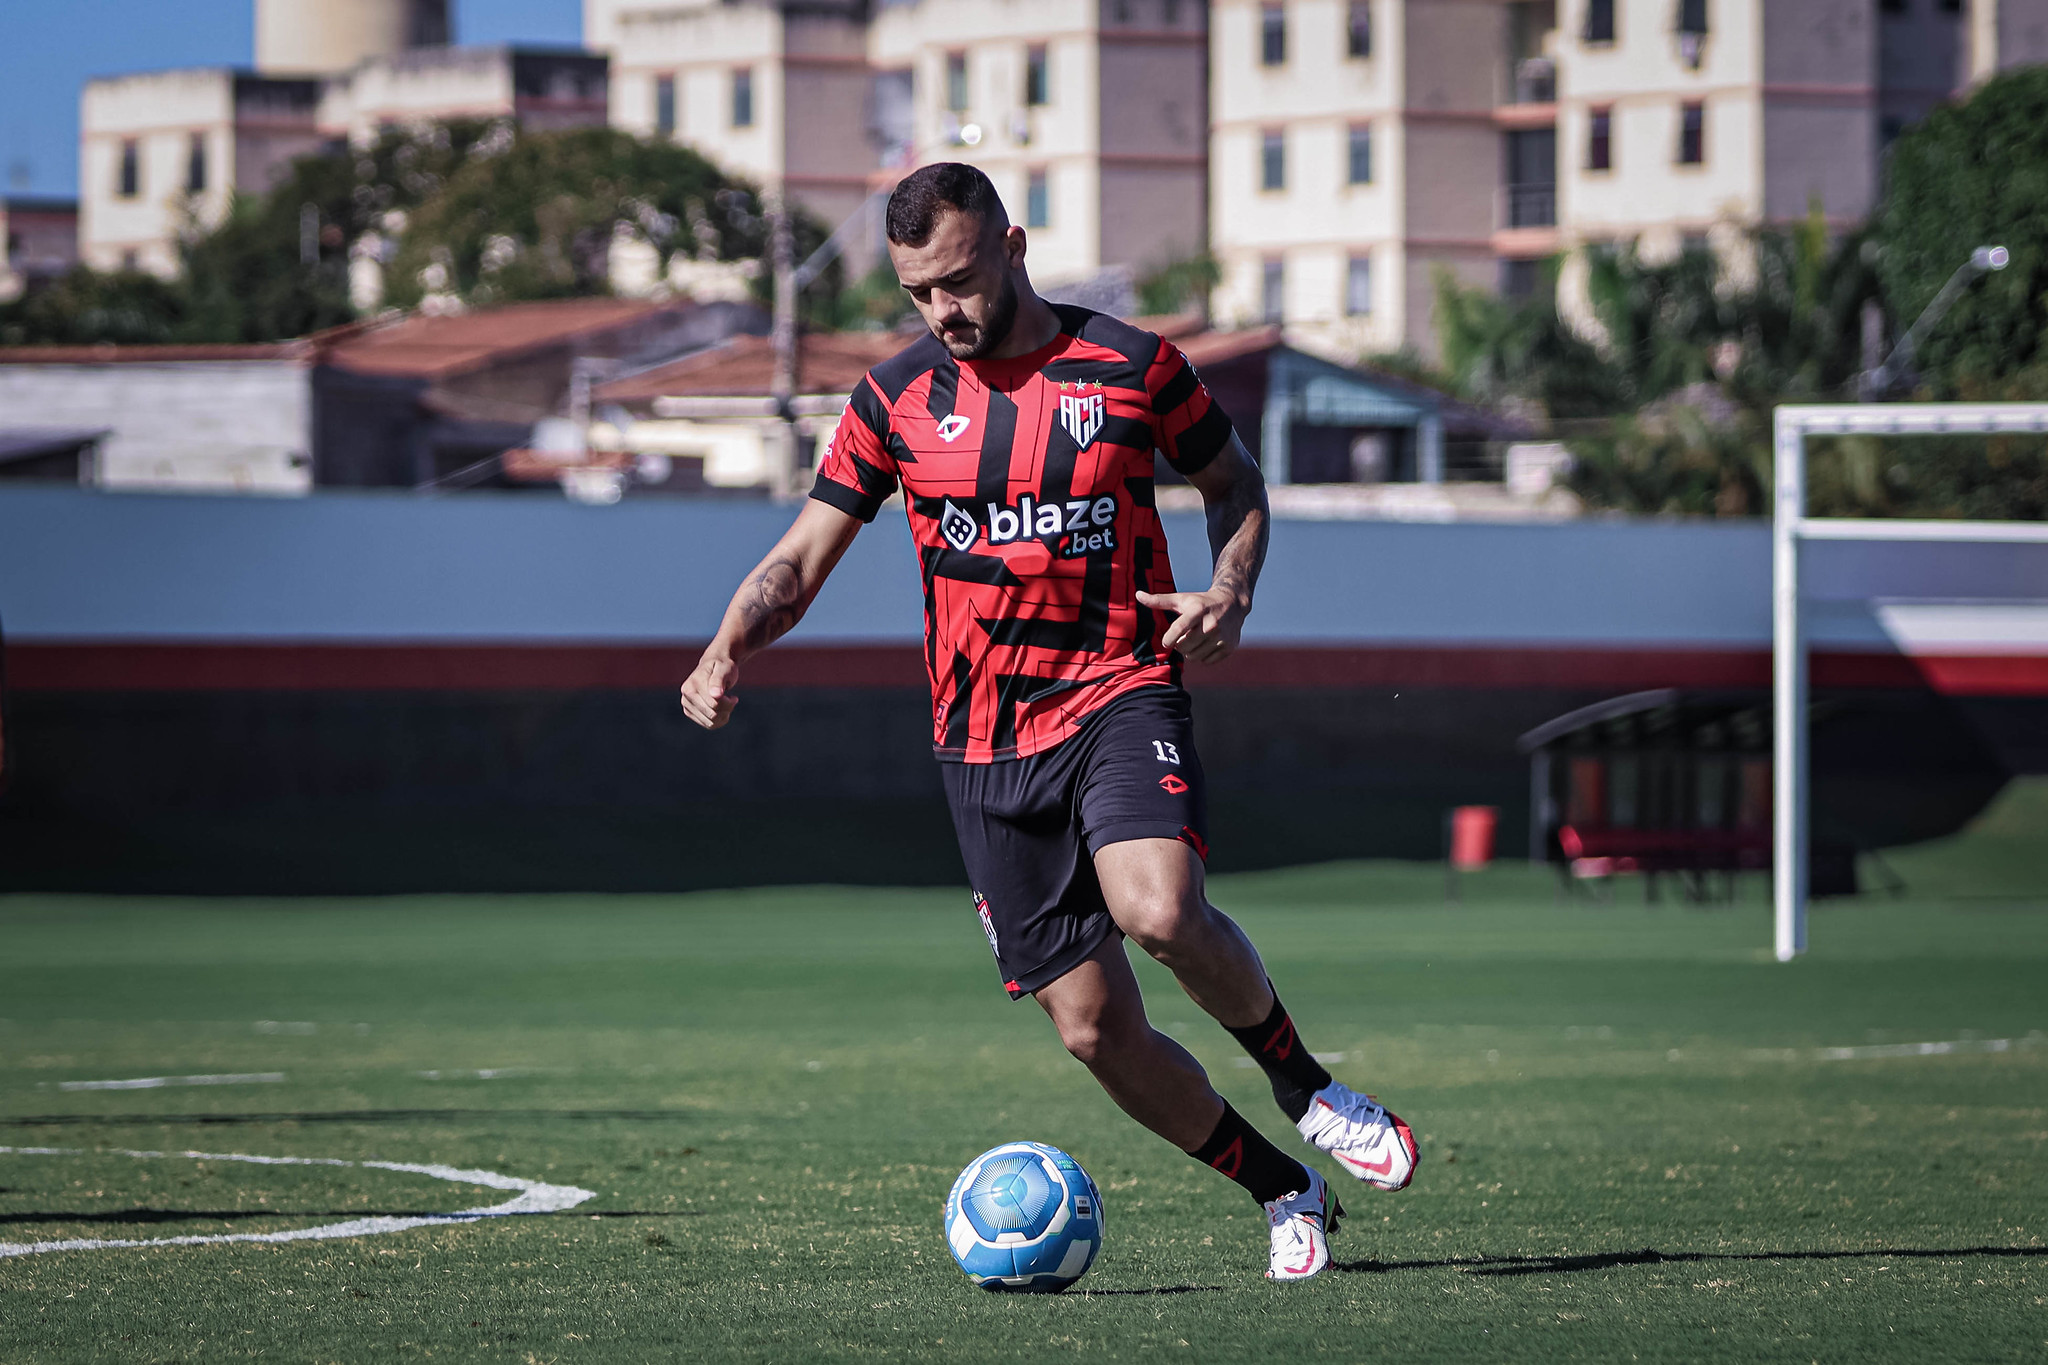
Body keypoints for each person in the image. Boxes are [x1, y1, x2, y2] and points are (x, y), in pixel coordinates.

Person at [679, 163, 1416, 1282]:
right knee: (1092, 1030)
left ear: (1014, 248)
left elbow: (1236, 483)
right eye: (920, 292)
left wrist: (1230, 587)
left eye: (961, 281)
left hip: (1118, 688)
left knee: (1160, 910)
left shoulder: (1130, 368)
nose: (945, 312)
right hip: (978, 747)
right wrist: (727, 645)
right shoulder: (893, 405)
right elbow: (797, 559)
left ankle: (1307, 1086)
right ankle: (1281, 1186)